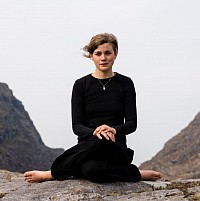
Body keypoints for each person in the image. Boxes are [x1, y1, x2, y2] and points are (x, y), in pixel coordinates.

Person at [24, 33, 162, 183]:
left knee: (105, 139)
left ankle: (52, 173)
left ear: (116, 53)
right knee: (91, 170)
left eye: (108, 53)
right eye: (98, 53)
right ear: (91, 56)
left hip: (115, 147)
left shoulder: (125, 83)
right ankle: (134, 173)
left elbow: (131, 124)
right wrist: (96, 132)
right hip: (88, 148)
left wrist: (113, 130)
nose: (103, 58)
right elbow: (77, 126)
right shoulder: (80, 85)